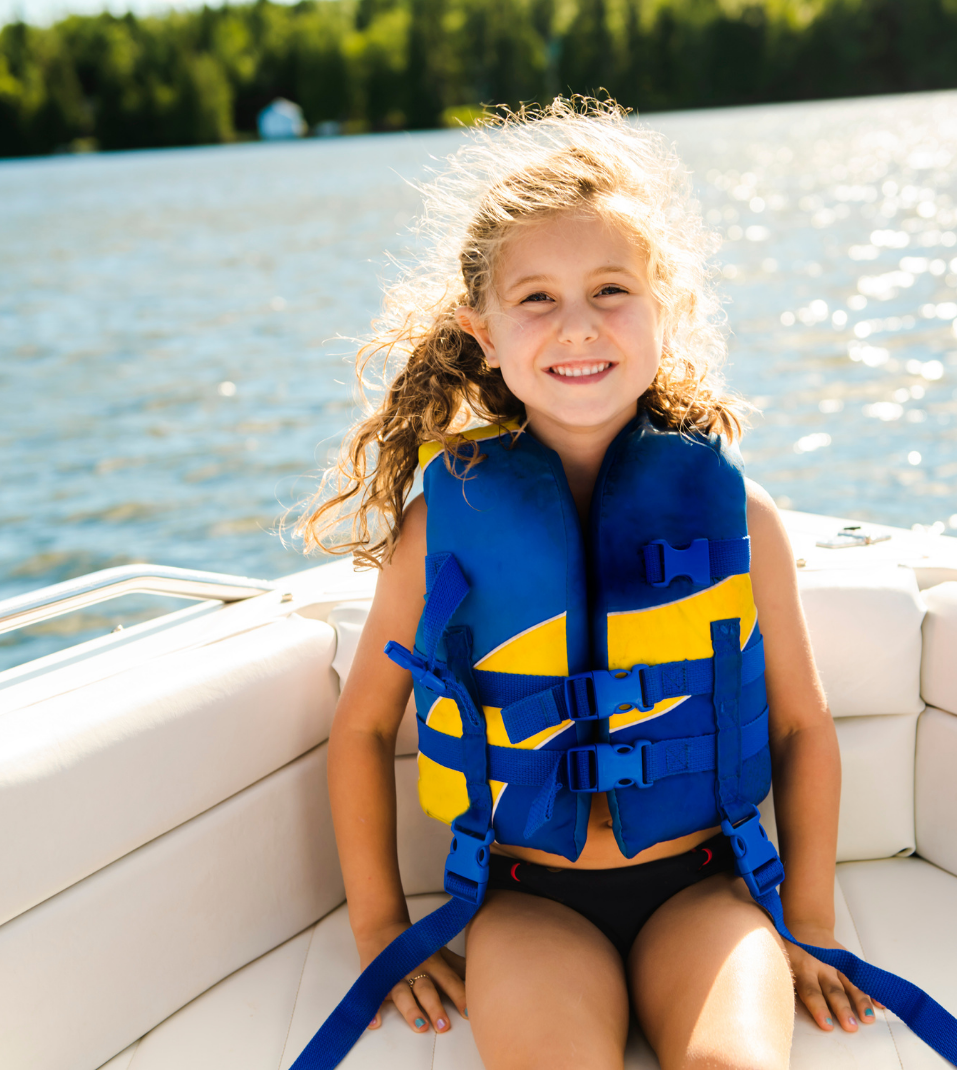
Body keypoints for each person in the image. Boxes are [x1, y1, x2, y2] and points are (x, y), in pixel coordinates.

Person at [301, 97, 877, 1070]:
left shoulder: (745, 518)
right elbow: (361, 729)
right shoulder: (442, 524)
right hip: (525, 900)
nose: (578, 326)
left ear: (665, 310)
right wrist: (376, 931)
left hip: (703, 884)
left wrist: (808, 920)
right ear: (482, 331)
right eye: (536, 299)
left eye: (612, 288)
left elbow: (801, 727)